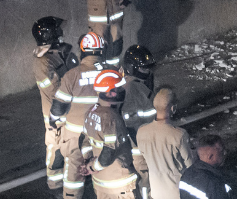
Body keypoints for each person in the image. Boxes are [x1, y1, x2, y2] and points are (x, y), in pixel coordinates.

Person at [51, 32, 106, 199]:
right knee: (101, 166)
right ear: (101, 52)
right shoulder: (109, 73)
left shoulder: (72, 75)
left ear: (82, 51)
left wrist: (53, 120)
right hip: (101, 132)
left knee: (73, 174)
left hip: (76, 135)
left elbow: (59, 107)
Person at [32, 16, 77, 191]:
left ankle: (71, 178)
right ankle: (56, 185)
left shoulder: (57, 54)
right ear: (50, 35)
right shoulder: (43, 62)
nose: (61, 33)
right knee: (56, 149)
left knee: (72, 147)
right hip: (56, 116)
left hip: (69, 111)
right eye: (57, 30)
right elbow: (56, 91)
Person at [82, 70, 138, 198]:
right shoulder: (112, 118)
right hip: (119, 184)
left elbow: (84, 140)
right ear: (110, 93)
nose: (121, 91)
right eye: (118, 89)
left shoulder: (91, 111)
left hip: (100, 184)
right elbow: (108, 153)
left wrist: (88, 160)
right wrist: (92, 167)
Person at [139, 89, 195, 199]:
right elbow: (190, 166)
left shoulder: (141, 131)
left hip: (156, 192)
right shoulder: (179, 135)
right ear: (173, 108)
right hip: (176, 192)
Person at [122, 45, 158, 198]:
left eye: (149, 68)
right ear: (132, 67)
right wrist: (142, 145)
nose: (147, 72)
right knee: (146, 178)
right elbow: (129, 122)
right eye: (144, 68)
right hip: (139, 145)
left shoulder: (139, 84)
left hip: (145, 140)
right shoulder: (130, 88)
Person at [179, 135, 232, 199]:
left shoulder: (187, 174)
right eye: (221, 151)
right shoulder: (214, 183)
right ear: (210, 156)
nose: (225, 153)